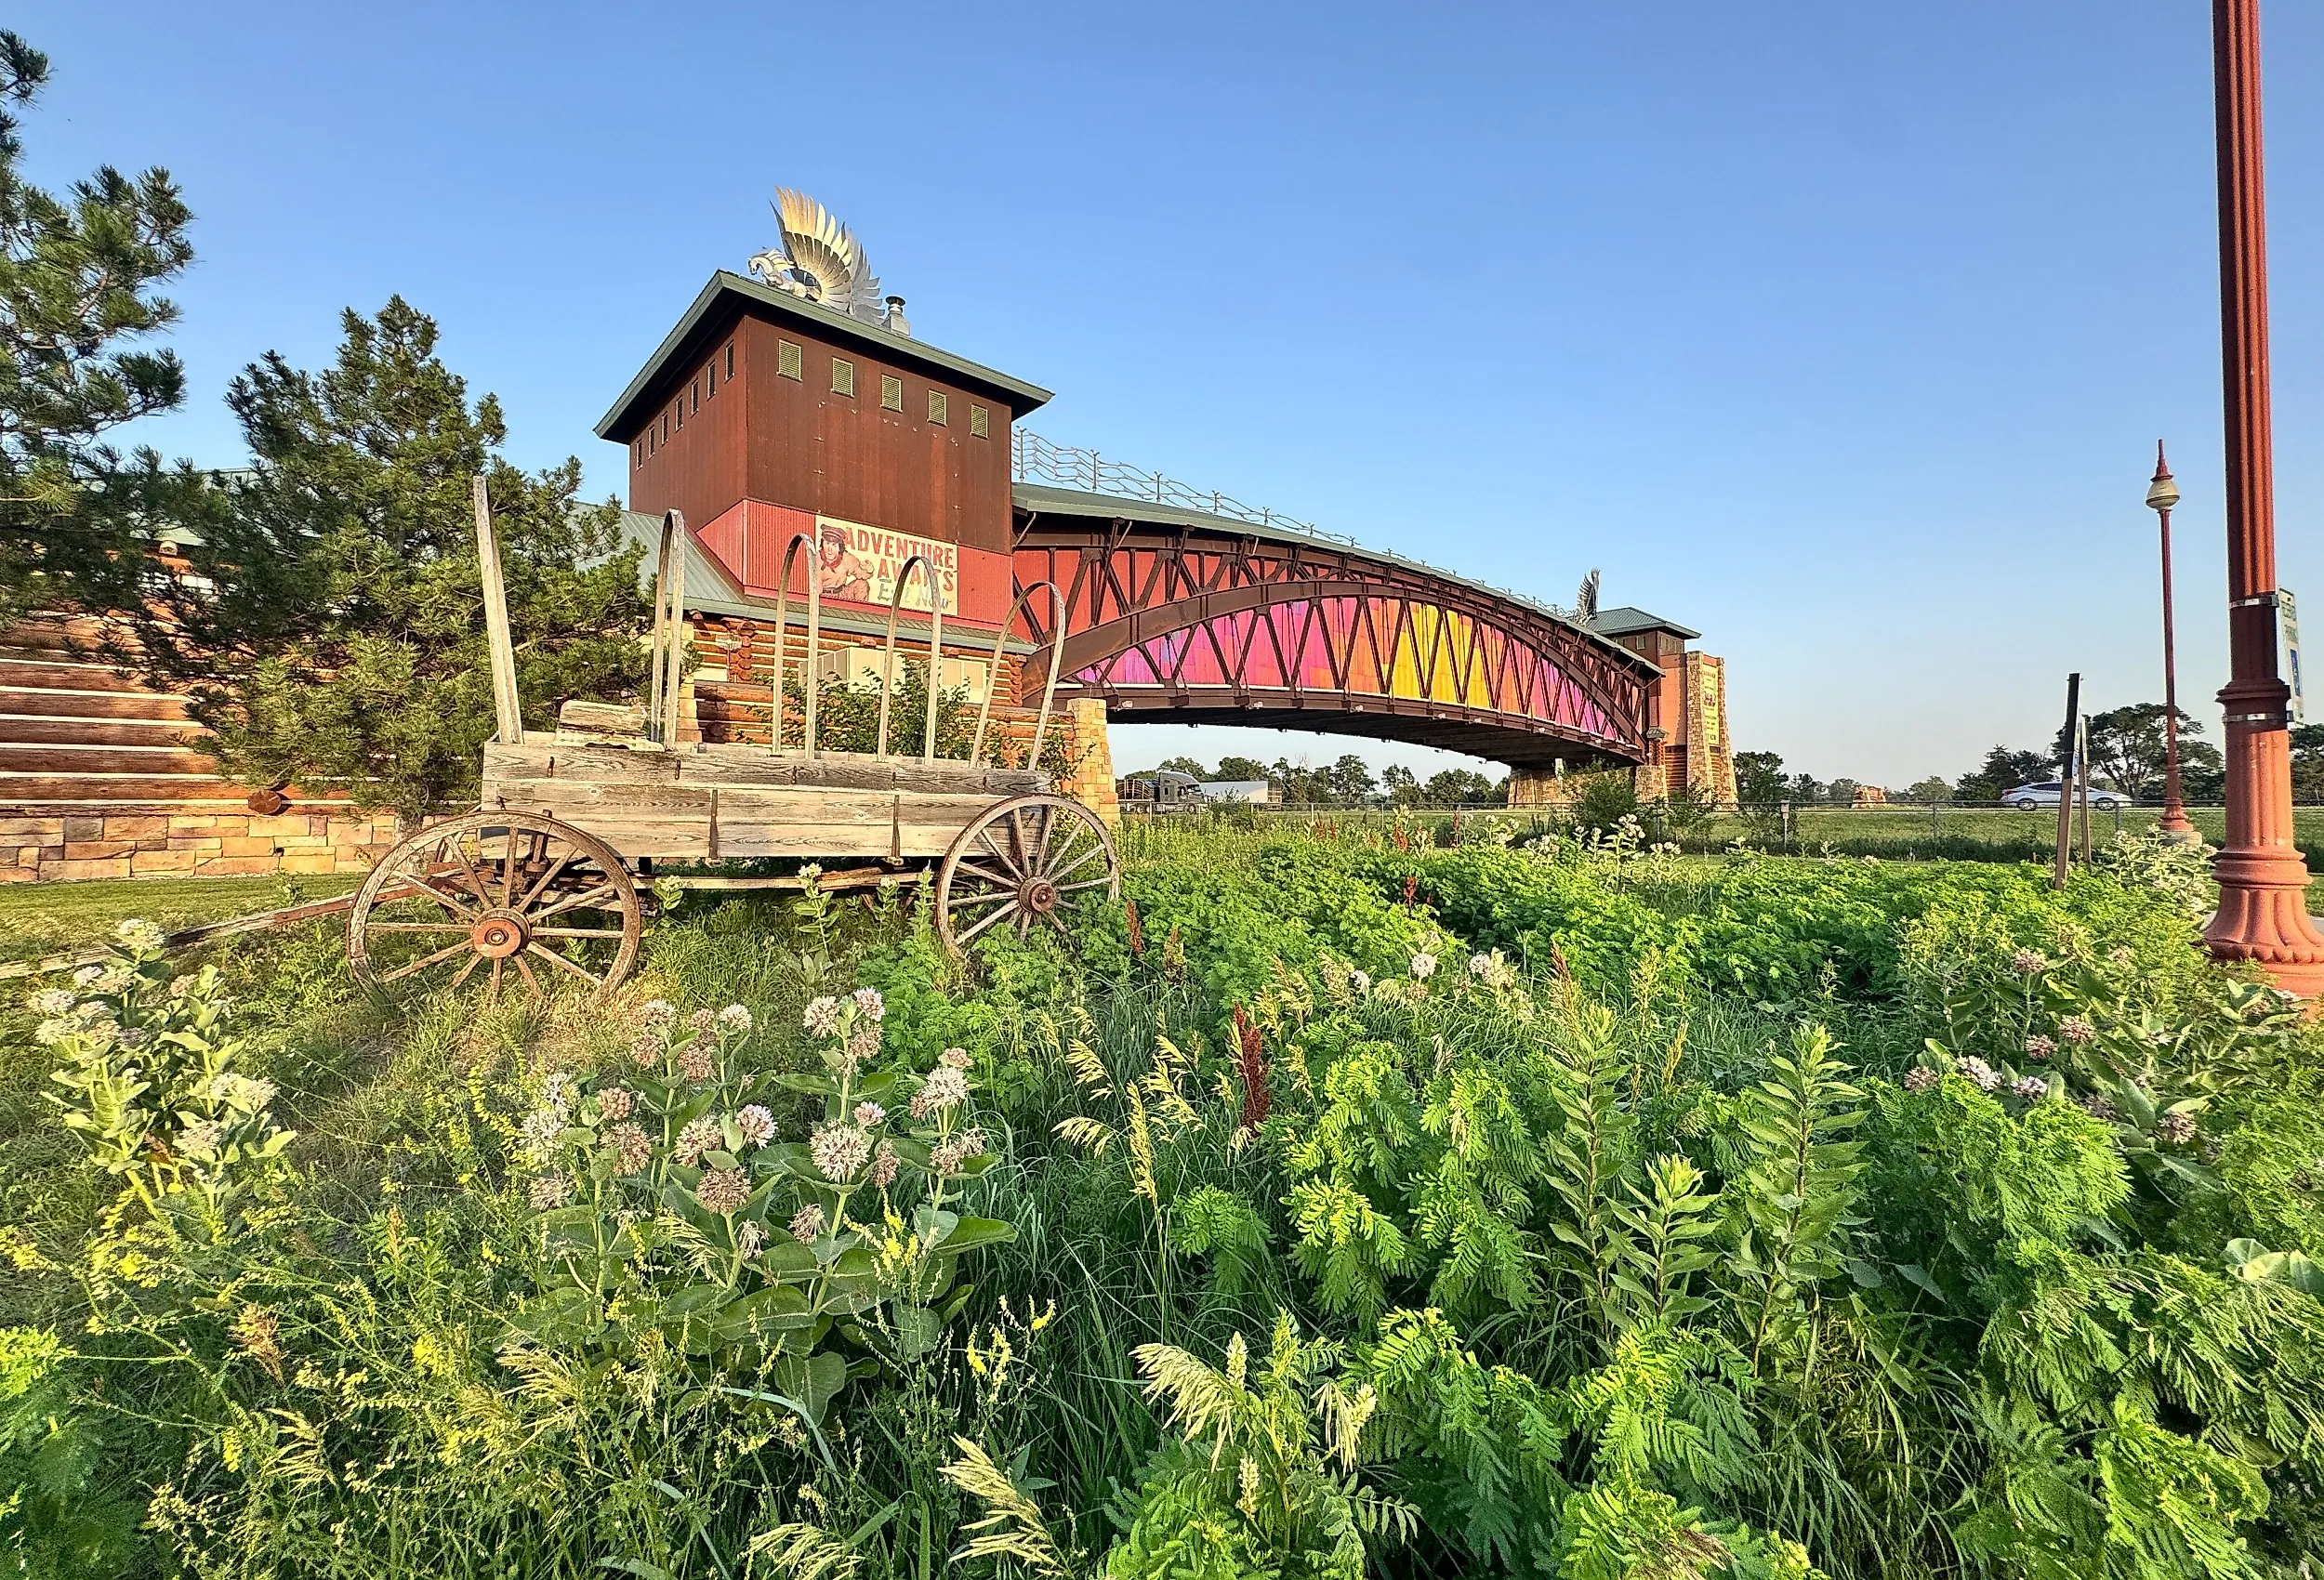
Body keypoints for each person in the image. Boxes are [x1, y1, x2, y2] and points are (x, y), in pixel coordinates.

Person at [816, 522, 872, 602]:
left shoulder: (845, 558)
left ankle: (859, 611)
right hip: (825, 597)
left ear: (840, 548)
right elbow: (816, 591)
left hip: (842, 594)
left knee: (862, 584)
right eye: (827, 544)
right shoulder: (817, 560)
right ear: (822, 543)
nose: (830, 550)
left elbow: (862, 574)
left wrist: (868, 569)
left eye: (834, 545)